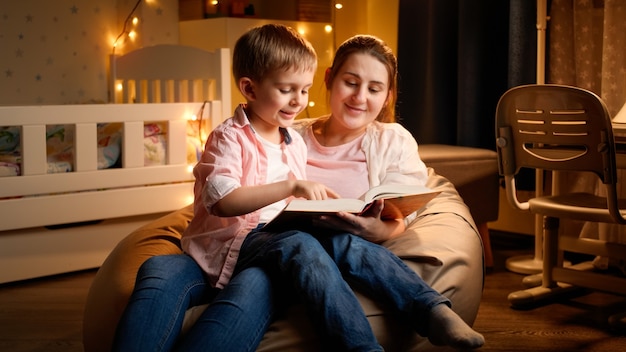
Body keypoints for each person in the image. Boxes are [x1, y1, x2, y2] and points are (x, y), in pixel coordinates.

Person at [112, 32, 485, 351]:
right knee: (158, 267)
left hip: (287, 249)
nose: (297, 100)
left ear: (387, 95)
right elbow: (224, 198)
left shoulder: (297, 138)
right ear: (331, 79)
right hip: (224, 249)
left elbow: (399, 215)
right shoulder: (286, 134)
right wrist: (293, 188)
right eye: (350, 82)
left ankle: (426, 312)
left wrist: (374, 226)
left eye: (301, 91)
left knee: (319, 246)